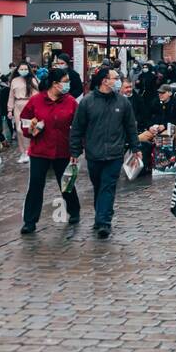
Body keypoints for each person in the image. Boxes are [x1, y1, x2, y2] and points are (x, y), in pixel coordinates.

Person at [69, 66, 142, 239]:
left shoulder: (122, 102)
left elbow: (131, 126)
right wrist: (75, 150)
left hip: (115, 153)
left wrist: (135, 147)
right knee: (98, 187)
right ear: (104, 80)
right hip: (94, 153)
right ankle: (99, 215)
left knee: (108, 187)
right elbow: (78, 128)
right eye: (115, 77)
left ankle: (104, 222)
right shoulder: (87, 102)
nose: (118, 80)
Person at [18, 72, 81, 233]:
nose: (68, 85)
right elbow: (24, 120)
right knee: (36, 185)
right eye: (65, 81)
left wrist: (76, 150)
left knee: (66, 183)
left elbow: (79, 127)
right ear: (54, 83)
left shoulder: (71, 102)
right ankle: (30, 221)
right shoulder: (36, 100)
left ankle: (74, 210)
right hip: (40, 150)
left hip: (63, 150)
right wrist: (30, 129)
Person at [7, 62, 36, 165]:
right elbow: (11, 96)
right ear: (18, 70)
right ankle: (23, 152)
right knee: (19, 130)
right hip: (18, 105)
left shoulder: (33, 80)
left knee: (27, 129)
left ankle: (28, 151)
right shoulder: (14, 80)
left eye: (25, 69)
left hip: (29, 105)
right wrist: (9, 109)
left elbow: (38, 94)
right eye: (21, 69)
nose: (23, 71)